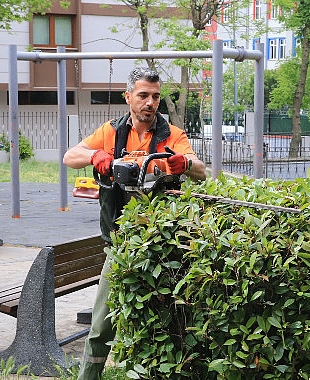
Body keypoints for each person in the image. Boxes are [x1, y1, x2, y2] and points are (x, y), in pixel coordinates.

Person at [63, 66, 206, 379]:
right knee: (102, 323)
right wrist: (95, 157)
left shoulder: (172, 136)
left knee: (171, 321)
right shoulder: (112, 133)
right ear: (128, 97)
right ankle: (89, 376)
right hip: (120, 243)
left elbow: (200, 170)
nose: (150, 102)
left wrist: (182, 162)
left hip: (166, 245)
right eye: (143, 95)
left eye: (155, 96)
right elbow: (69, 156)